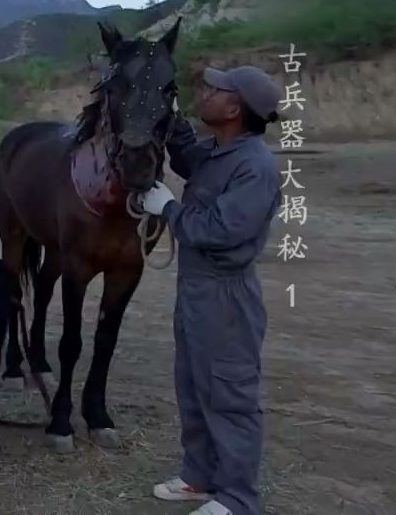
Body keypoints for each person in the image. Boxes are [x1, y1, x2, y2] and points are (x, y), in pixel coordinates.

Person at [139, 66, 283, 515]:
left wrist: (170, 209)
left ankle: (238, 497)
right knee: (194, 386)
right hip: (198, 292)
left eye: (214, 91)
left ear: (234, 108)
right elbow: (188, 157)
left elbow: (221, 229)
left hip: (226, 297)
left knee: (229, 393)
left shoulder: (254, 166)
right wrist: (173, 113)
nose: (205, 93)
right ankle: (200, 476)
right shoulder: (220, 150)